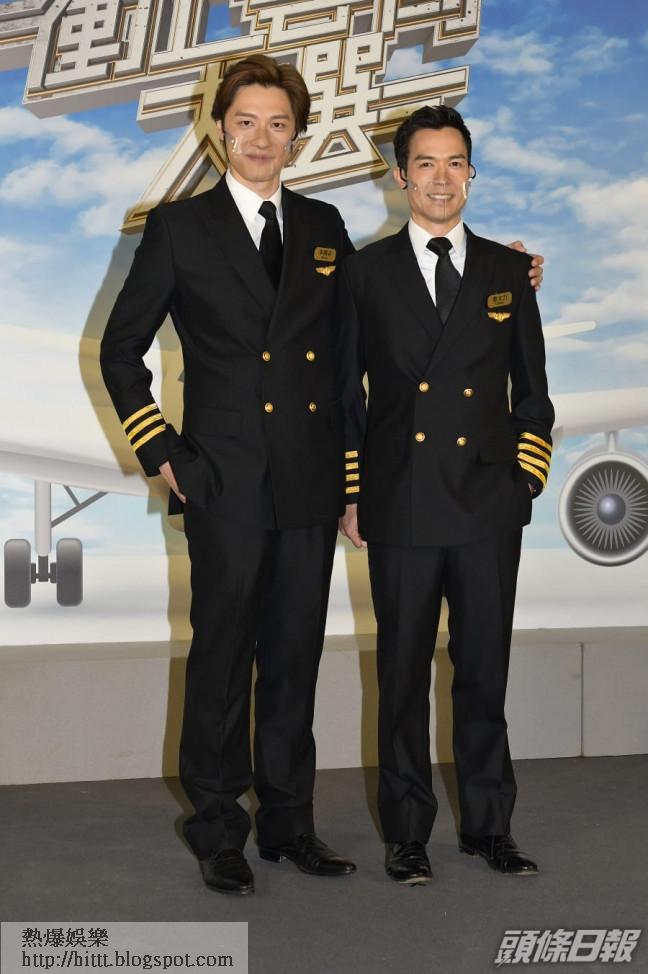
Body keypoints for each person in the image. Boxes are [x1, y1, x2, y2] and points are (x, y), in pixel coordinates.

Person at [101, 53, 544, 896]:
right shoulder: (179, 228)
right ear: (219, 129)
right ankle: (218, 827)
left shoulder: (323, 226)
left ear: (298, 136)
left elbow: (349, 359)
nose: (261, 138)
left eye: (279, 124)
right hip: (225, 480)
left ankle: (288, 823)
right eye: (246, 122)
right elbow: (122, 353)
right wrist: (166, 454)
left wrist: (509, 270)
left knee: (294, 657)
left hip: (307, 482)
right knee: (222, 661)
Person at [337, 105, 554, 885]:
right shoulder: (365, 273)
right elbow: (348, 395)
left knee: (483, 674)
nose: (440, 177)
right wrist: (353, 491)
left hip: (487, 504)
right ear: (400, 176)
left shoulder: (507, 271)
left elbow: (533, 390)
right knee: (400, 678)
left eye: (454, 162)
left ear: (472, 174)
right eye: (424, 163)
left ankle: (491, 827)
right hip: (401, 503)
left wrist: (525, 479)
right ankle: (407, 834)